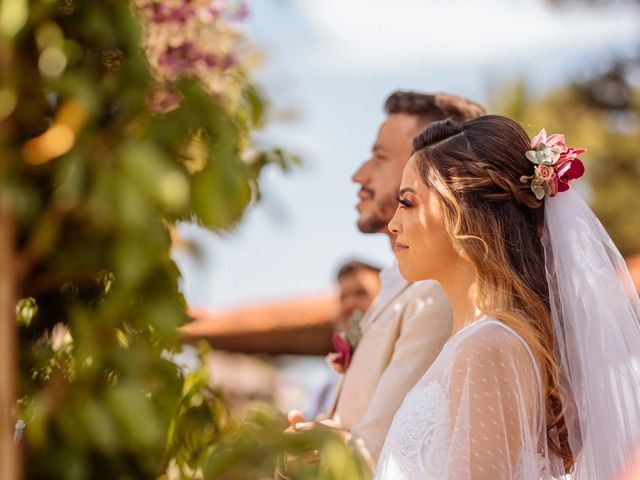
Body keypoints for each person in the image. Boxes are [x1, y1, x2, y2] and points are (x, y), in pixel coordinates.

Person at [375, 115, 640, 479]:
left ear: (464, 213)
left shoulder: (487, 348)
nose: (392, 223)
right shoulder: (475, 344)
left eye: (408, 203)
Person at [288, 92, 486, 468]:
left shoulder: (439, 294)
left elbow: (383, 451)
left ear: (434, 169)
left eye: (380, 157)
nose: (359, 175)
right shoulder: (397, 286)